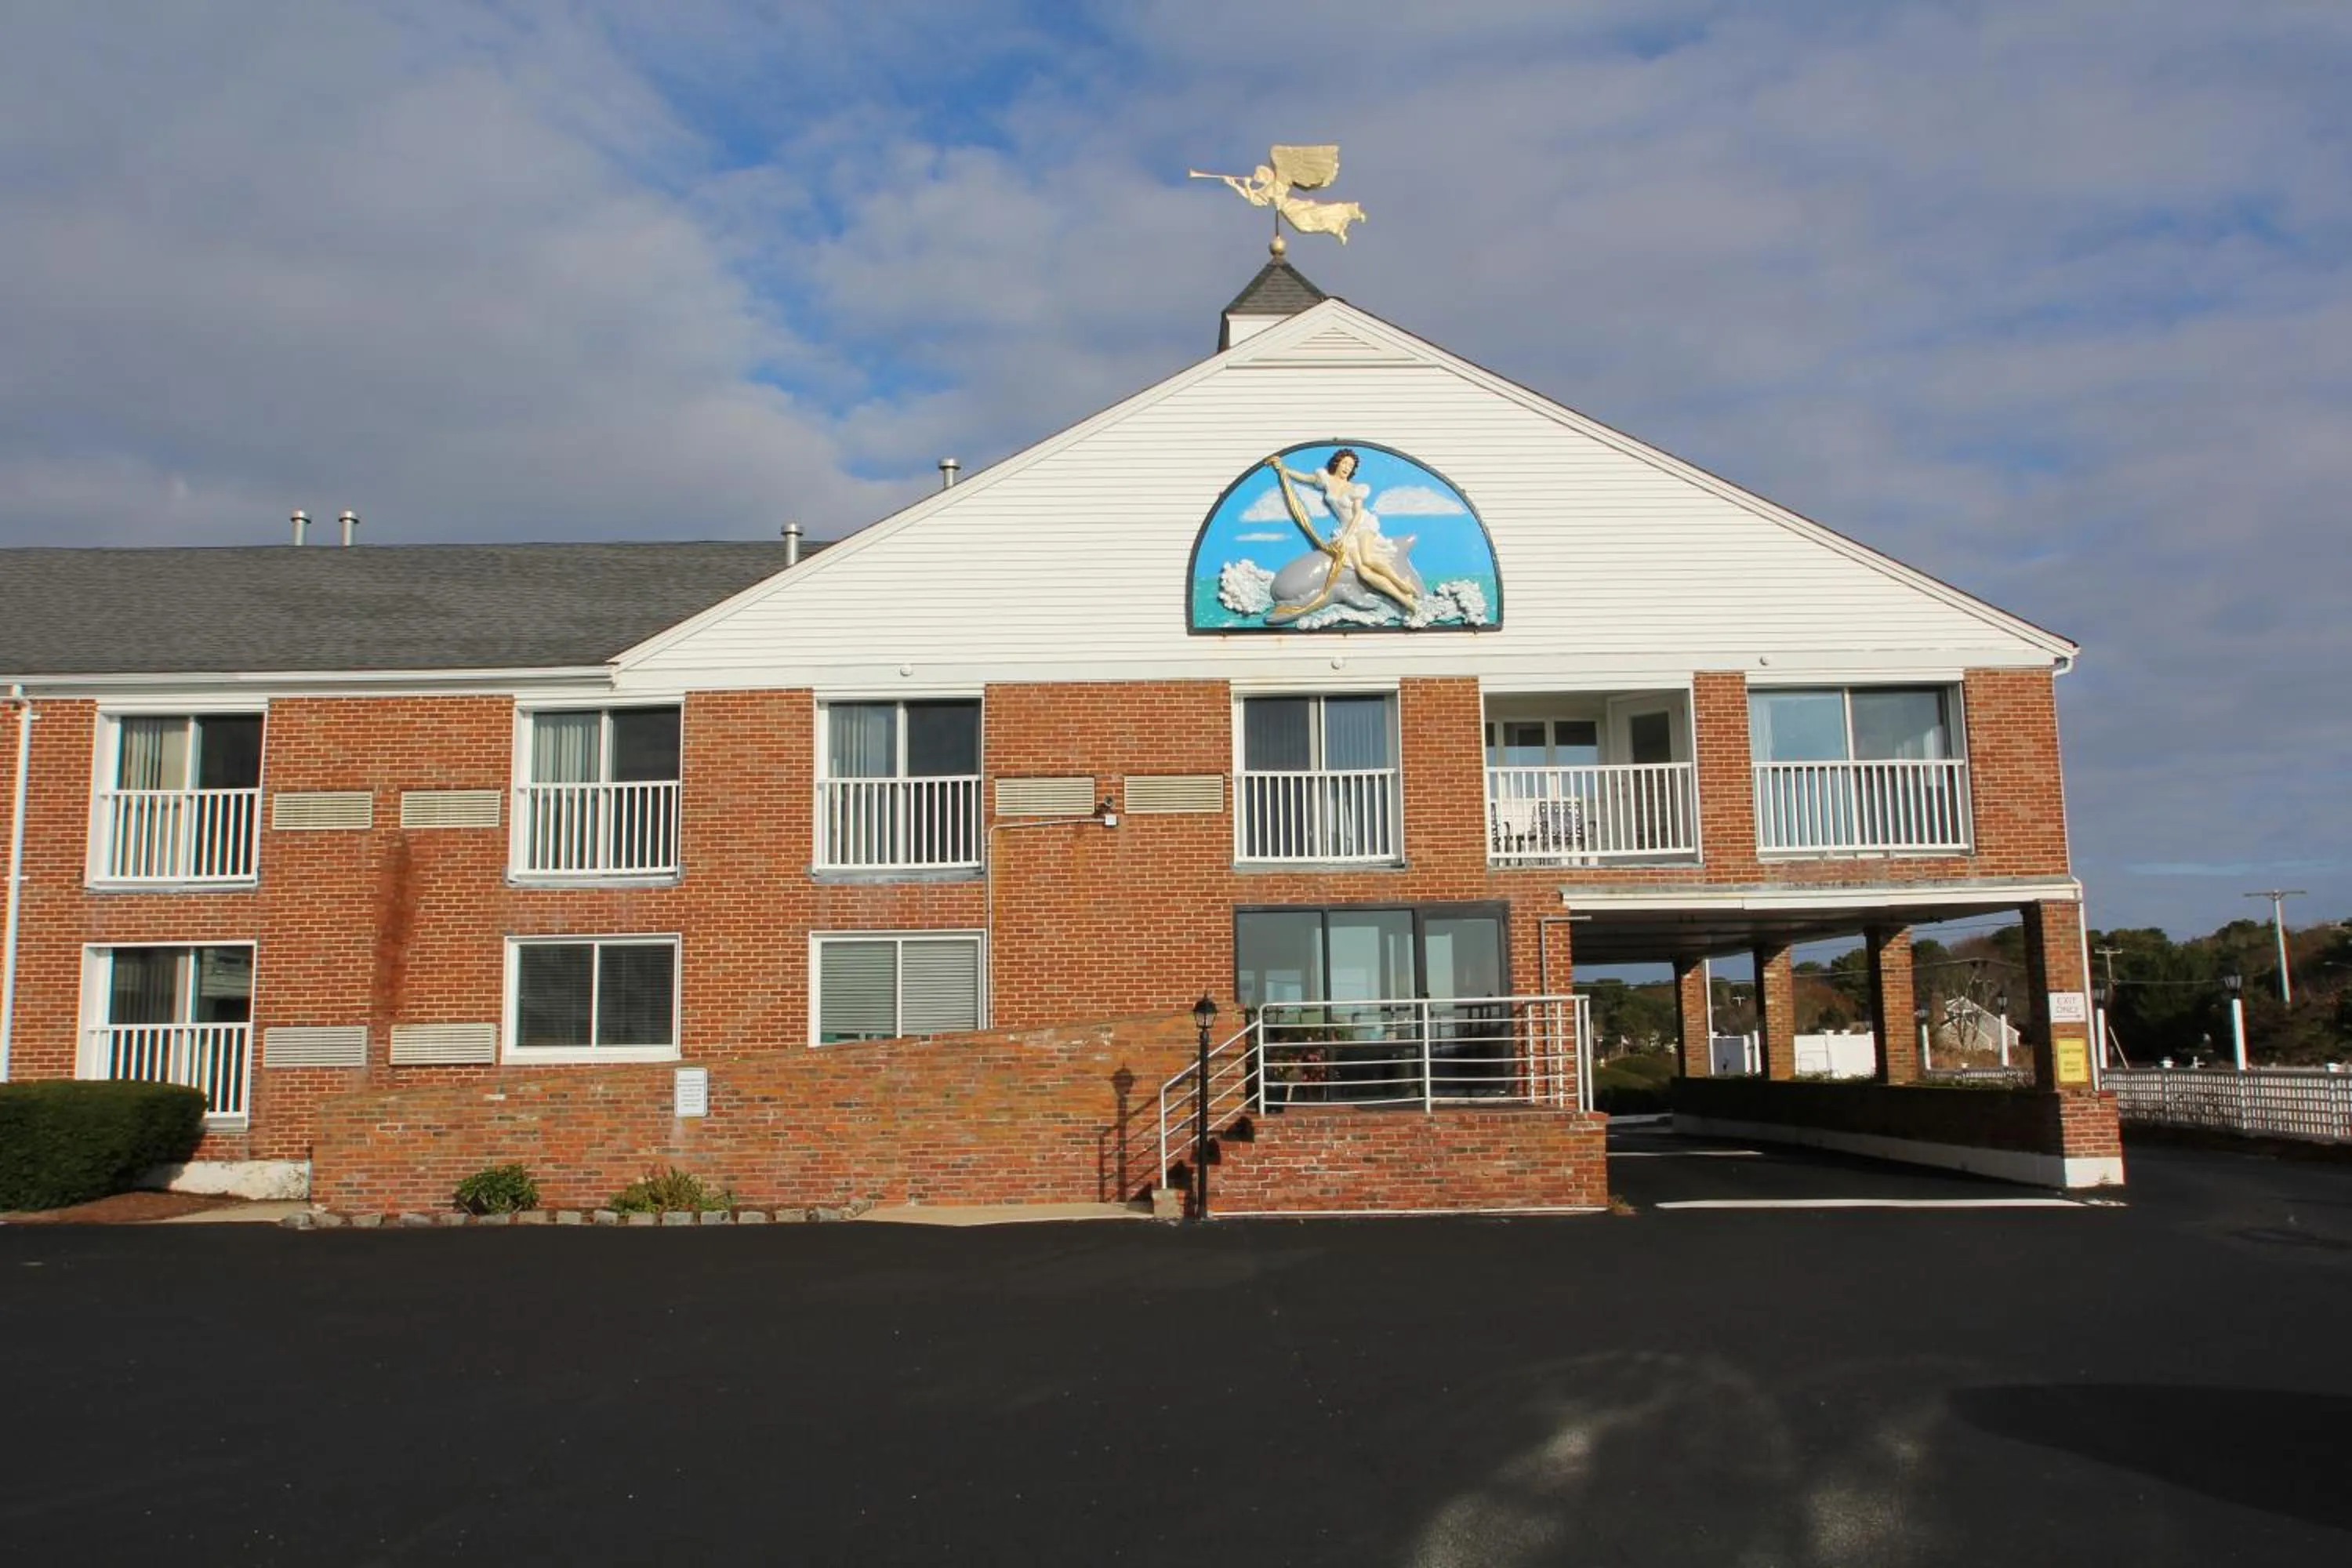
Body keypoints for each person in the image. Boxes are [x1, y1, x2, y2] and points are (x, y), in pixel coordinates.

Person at [1264, 448, 1424, 620]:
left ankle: (1402, 584)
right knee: (1364, 573)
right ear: (1337, 463)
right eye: (1345, 463)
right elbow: (1303, 477)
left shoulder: (1356, 489)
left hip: (1362, 526)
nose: (1347, 467)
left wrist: (1348, 535)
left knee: (1368, 560)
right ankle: (1405, 601)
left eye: (1351, 465)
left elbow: (1358, 514)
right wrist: (1282, 468)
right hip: (1345, 529)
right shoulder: (1325, 480)